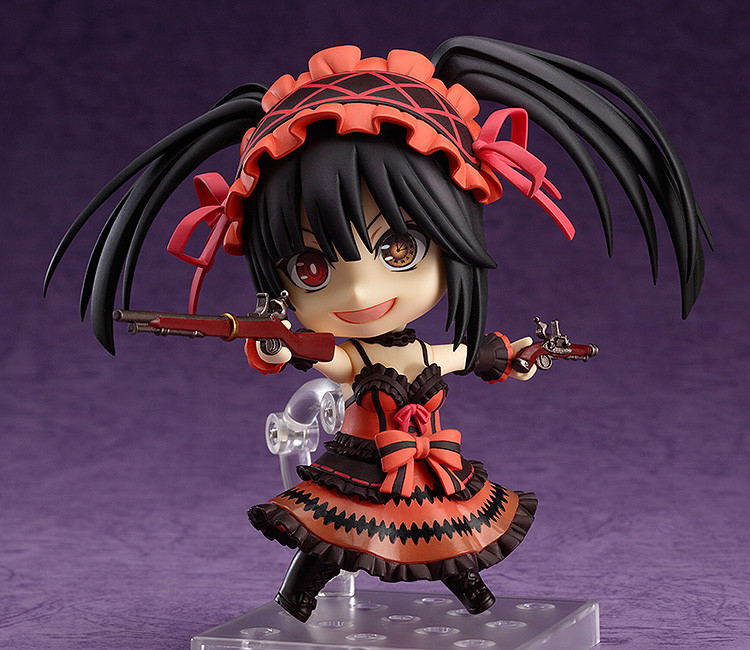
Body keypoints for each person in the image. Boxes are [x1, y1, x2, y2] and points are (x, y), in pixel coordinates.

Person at [46, 38, 710, 622]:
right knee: (331, 541)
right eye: (312, 268)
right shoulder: (351, 355)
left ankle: (474, 598)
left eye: (399, 250)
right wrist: (275, 344)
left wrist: (517, 355)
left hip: (423, 465)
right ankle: (298, 603)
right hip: (360, 466)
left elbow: (466, 355)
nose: (361, 292)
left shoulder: (419, 348)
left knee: (442, 533)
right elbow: (321, 358)